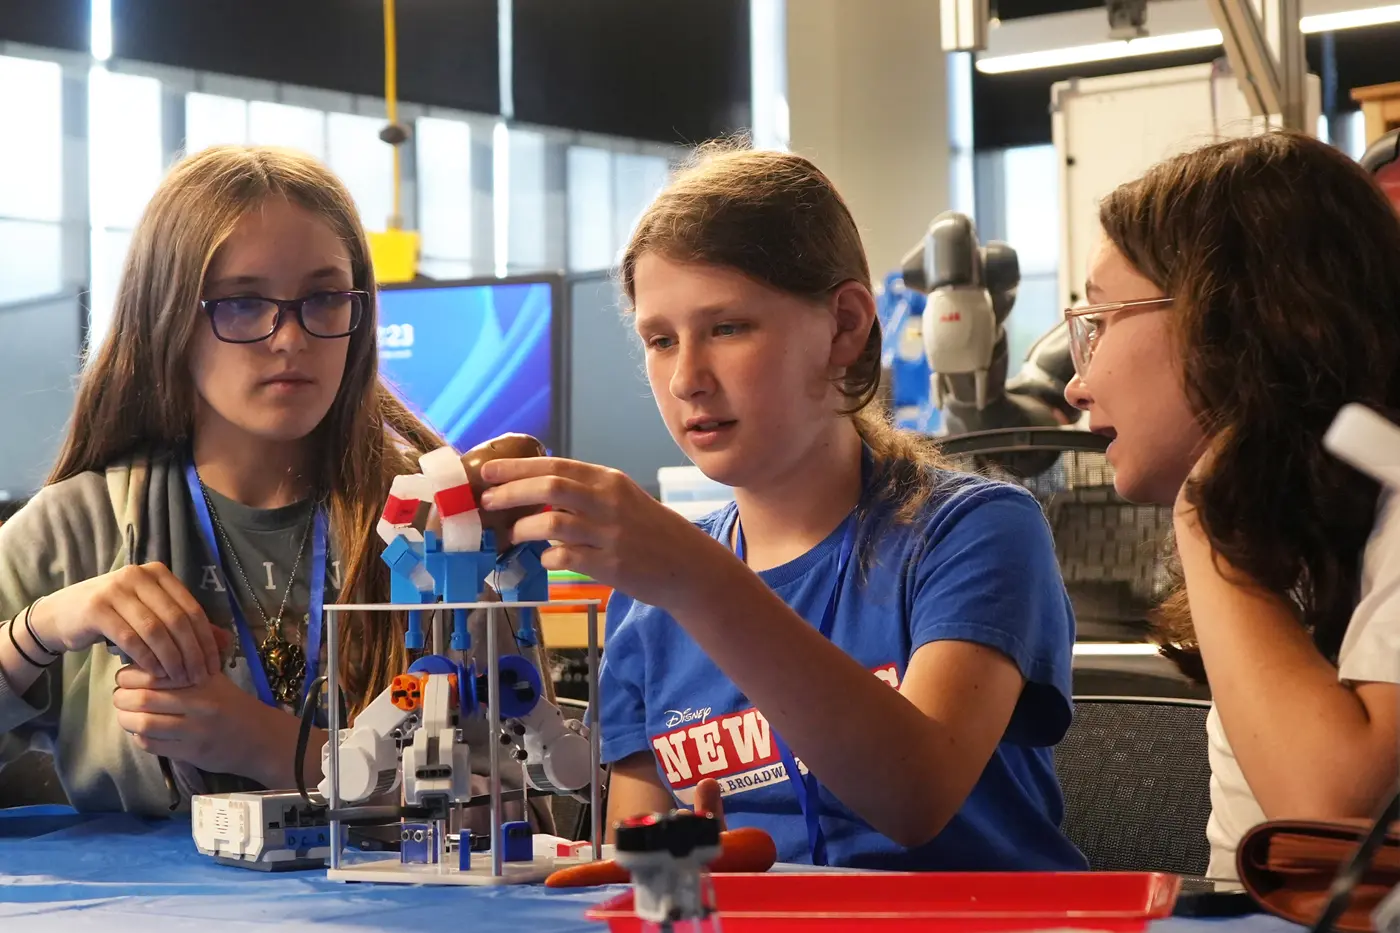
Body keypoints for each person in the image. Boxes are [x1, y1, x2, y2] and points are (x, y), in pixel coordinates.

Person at [477, 145, 1086, 871]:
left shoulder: (974, 531)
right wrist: (674, 863)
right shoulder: (649, 605)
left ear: (845, 326)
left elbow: (916, 796)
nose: (687, 378)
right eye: (660, 340)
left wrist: (695, 580)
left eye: (727, 327)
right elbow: (638, 871)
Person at [0, 146, 550, 828]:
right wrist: (41, 629)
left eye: (323, 298)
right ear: (166, 318)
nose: (290, 337)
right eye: (242, 302)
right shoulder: (80, 530)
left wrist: (273, 747)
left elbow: (523, 815)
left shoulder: (439, 527)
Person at [1062, 131, 1400, 879]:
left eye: (1100, 322)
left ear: (1228, 325)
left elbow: (1326, 833)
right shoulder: (1301, 526)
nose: (1076, 384)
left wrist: (1205, 513)